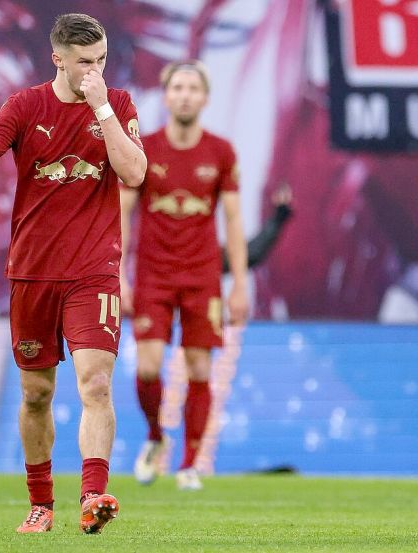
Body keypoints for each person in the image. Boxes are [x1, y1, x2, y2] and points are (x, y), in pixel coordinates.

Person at [0, 13, 146, 534]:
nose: (95, 70)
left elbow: (133, 173)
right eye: (85, 62)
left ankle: (92, 497)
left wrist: (101, 104)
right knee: (36, 394)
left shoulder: (118, 104)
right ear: (57, 58)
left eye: (101, 60)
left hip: (94, 271)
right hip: (33, 273)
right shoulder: (25, 106)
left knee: (96, 384)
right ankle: (40, 505)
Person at [119, 60, 248, 491]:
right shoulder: (144, 149)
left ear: (205, 97)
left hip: (202, 276)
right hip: (153, 274)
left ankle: (191, 463)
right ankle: (155, 437)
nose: (186, 94)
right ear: (166, 94)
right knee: (150, 365)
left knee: (198, 368)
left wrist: (239, 286)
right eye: (178, 87)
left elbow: (232, 222)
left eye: (194, 87)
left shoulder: (221, 152)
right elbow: (121, 213)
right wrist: (117, 274)